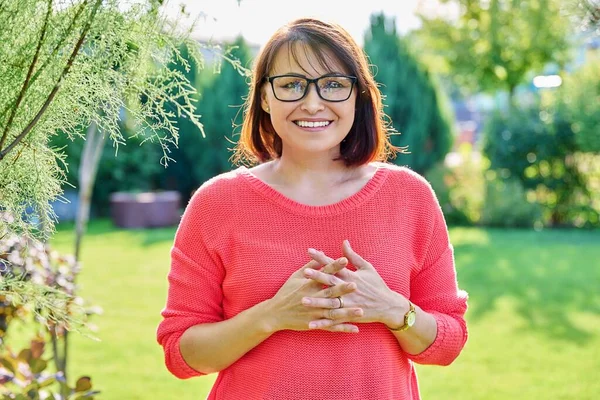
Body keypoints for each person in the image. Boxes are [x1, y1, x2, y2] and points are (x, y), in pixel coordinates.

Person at [156, 17, 468, 400]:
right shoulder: (217, 203)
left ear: (359, 96)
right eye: (291, 85)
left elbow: (448, 343)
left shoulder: (410, 195)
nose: (313, 102)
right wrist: (272, 315)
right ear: (265, 98)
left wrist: (391, 307)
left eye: (333, 84)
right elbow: (182, 355)